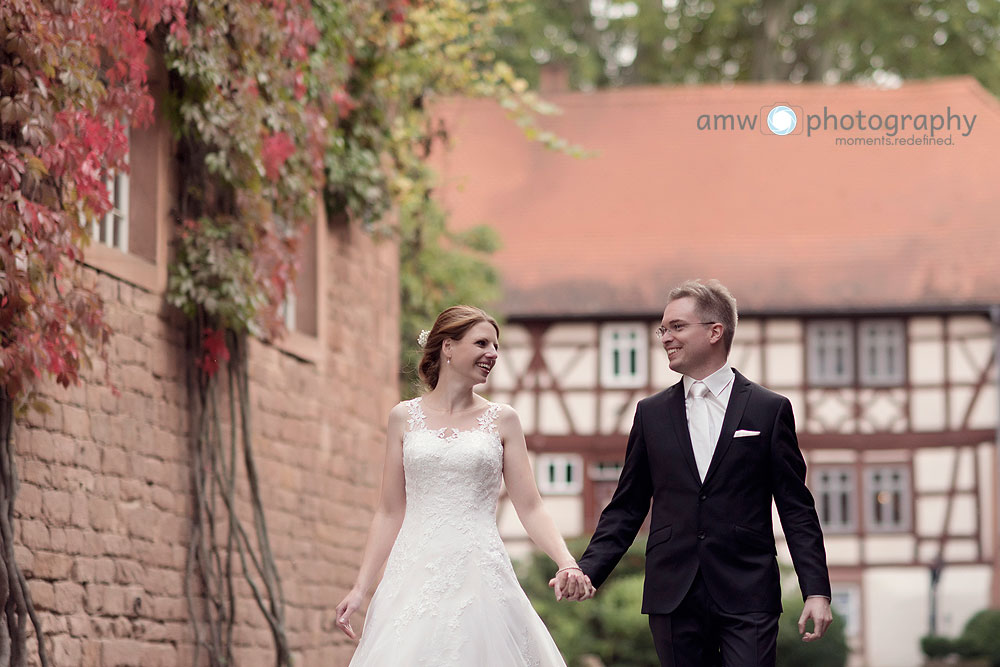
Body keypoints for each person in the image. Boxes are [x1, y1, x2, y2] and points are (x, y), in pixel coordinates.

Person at [559, 279, 832, 667]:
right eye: (663, 329)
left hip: (748, 591)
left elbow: (796, 508)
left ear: (714, 331)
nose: (665, 337)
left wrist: (816, 591)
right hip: (673, 591)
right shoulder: (650, 414)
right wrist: (588, 569)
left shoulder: (768, 410)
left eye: (676, 327)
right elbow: (627, 506)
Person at [335, 305, 594, 665]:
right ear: (448, 348)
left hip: (479, 573)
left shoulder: (503, 420)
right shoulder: (403, 417)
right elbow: (390, 511)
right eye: (482, 343)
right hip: (413, 574)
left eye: (496, 346)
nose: (493, 354)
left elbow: (530, 507)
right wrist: (361, 589)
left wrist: (567, 562)